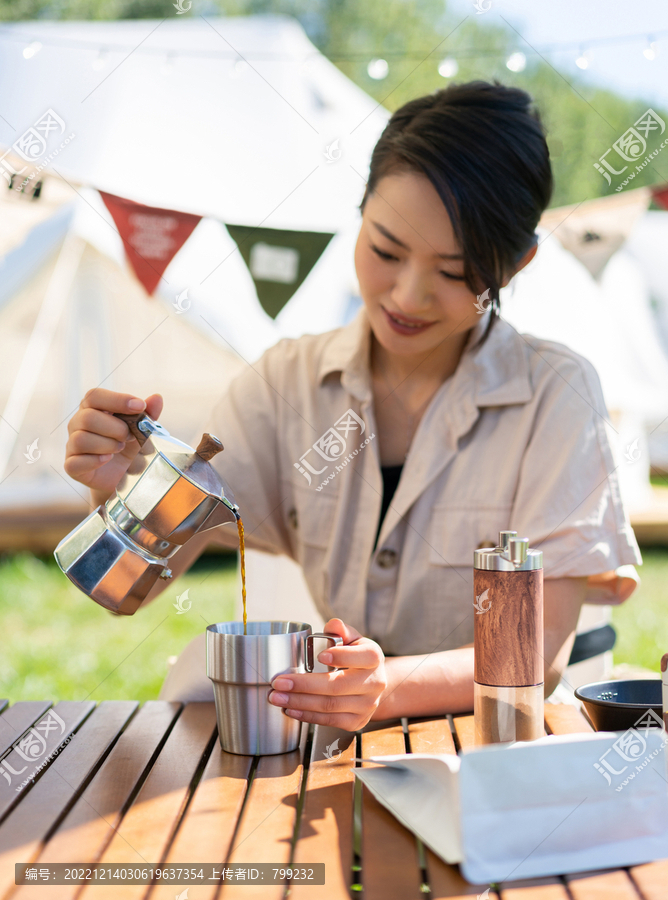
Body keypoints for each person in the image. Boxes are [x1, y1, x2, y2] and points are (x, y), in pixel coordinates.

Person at [64, 81, 641, 732]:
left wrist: (386, 688)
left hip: (489, 753)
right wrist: (117, 504)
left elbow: (537, 651)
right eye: (386, 250)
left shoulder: (556, 397)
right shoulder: (285, 384)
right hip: (330, 757)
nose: (408, 294)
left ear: (515, 265)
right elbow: (127, 597)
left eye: (454, 273)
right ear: (361, 212)